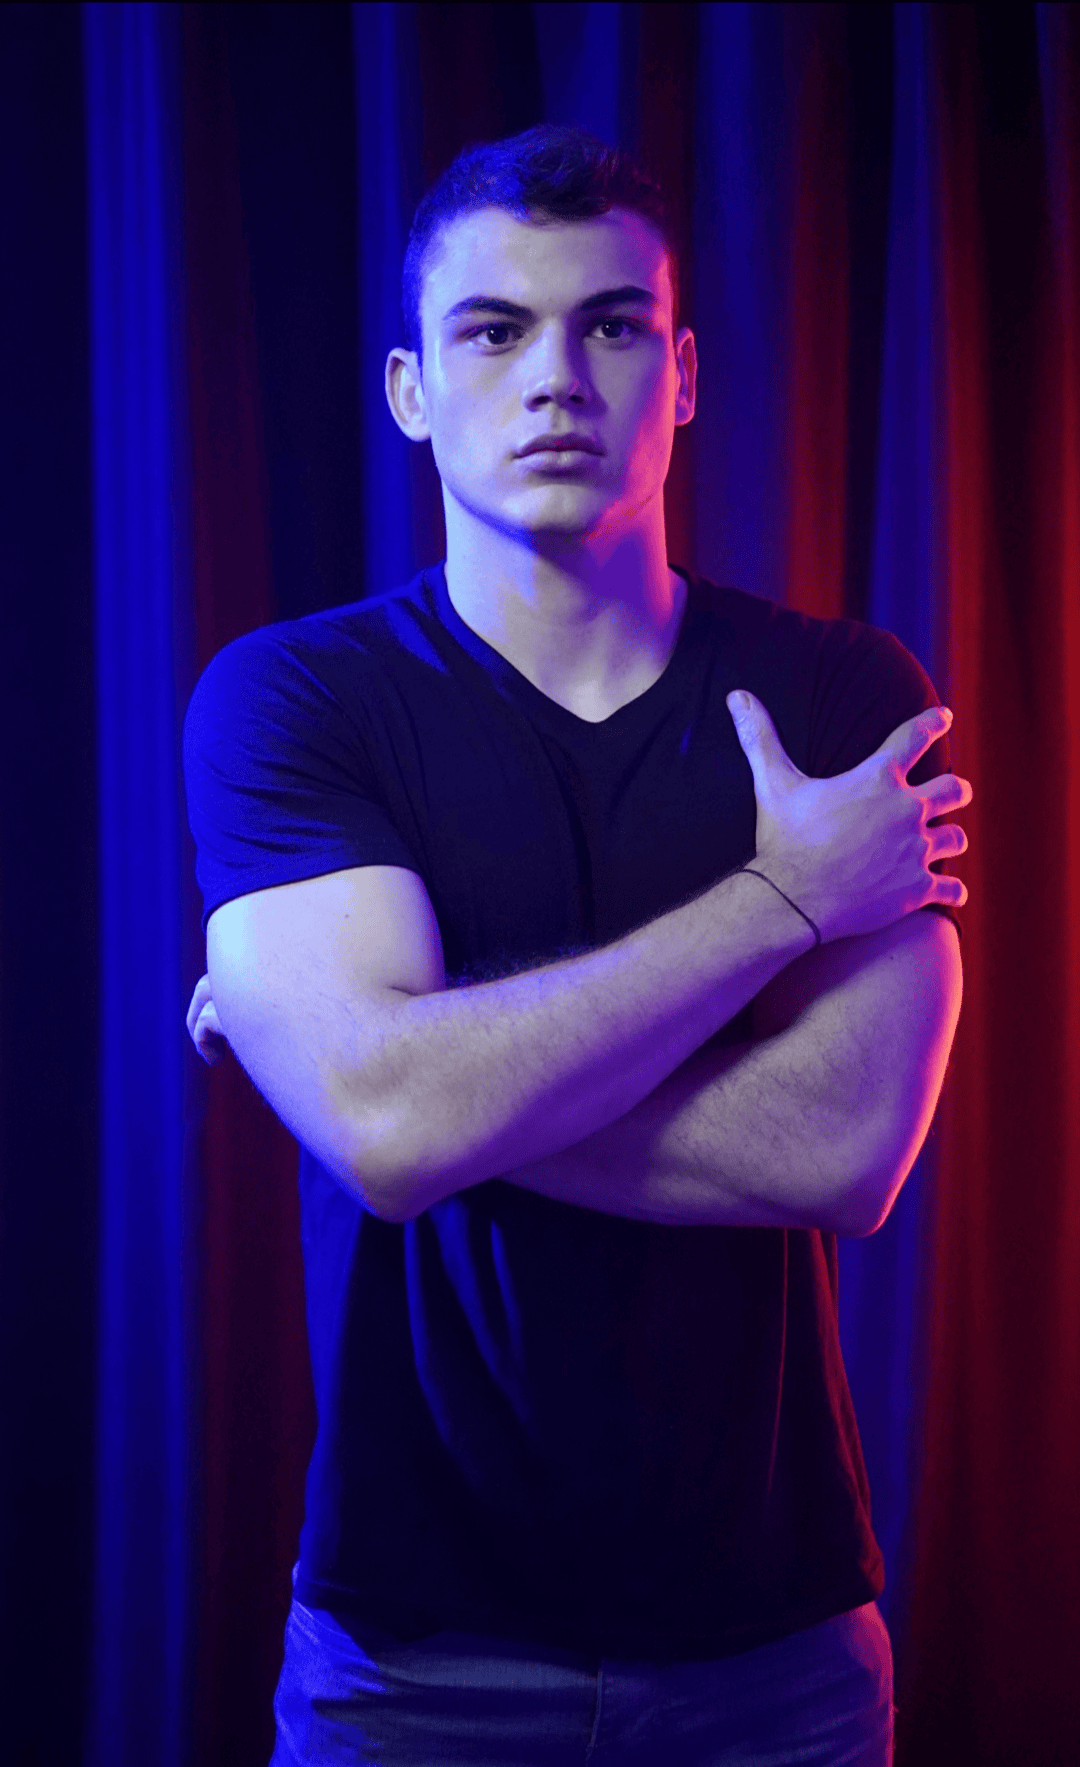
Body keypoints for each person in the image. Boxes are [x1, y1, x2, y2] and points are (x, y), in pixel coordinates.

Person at [183, 126, 970, 1767]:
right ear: (411, 390)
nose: (556, 377)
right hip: (413, 1659)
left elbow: (848, 1147)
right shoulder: (298, 701)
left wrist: (364, 1063)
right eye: (494, 331)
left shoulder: (839, 698)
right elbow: (387, 1126)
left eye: (612, 325)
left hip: (780, 1657)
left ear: (680, 378)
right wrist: (782, 902)